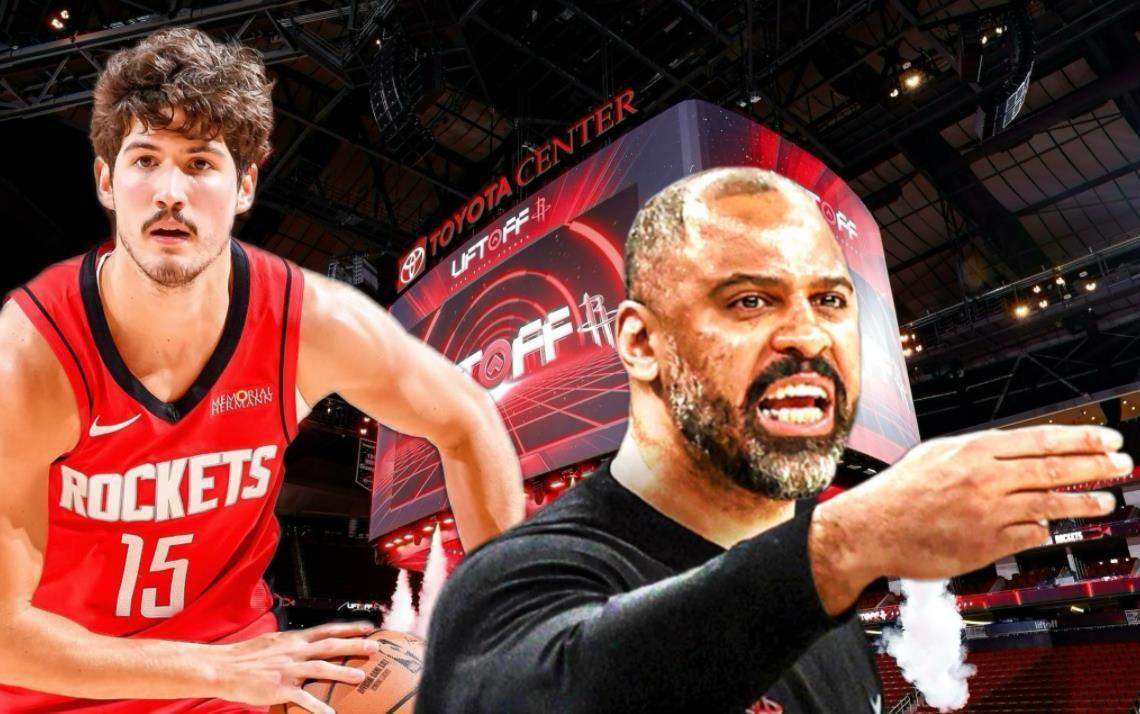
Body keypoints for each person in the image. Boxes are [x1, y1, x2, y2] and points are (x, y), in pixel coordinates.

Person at [417, 167, 1127, 713]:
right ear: (640, 342)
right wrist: (844, 544)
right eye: (750, 300)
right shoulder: (520, 576)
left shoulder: (830, 614)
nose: (809, 336)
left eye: (830, 299)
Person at [0, 27, 523, 714]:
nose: (169, 192)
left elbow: (469, 420)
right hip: (62, 690)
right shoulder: (29, 359)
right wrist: (215, 669)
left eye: (200, 163)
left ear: (244, 185)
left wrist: (509, 627)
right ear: (107, 180)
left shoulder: (311, 324)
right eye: (146, 159)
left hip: (244, 679)